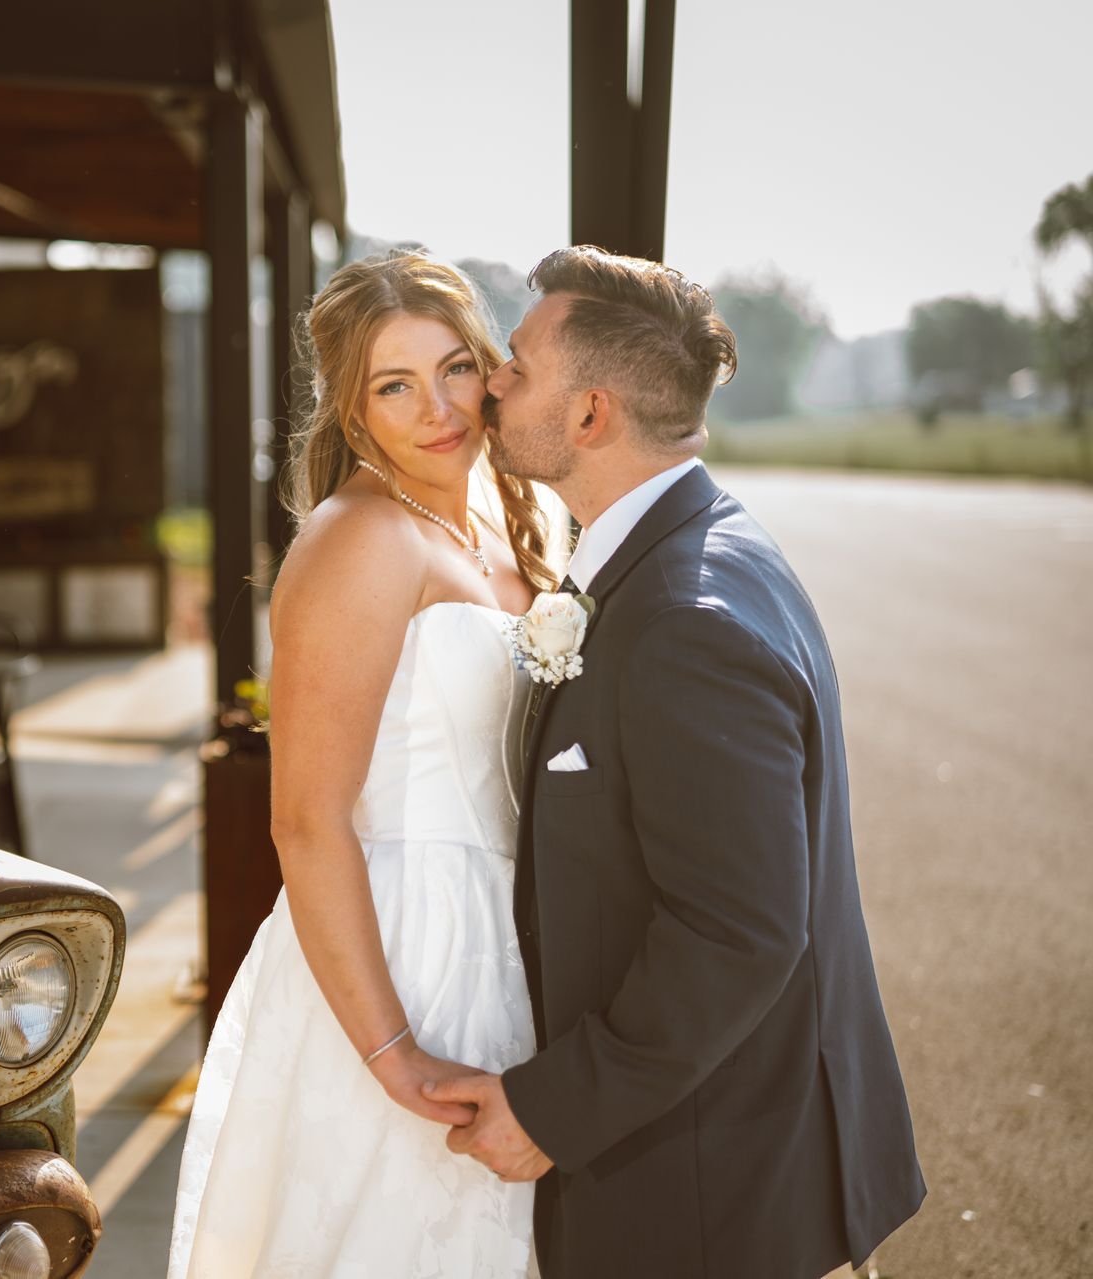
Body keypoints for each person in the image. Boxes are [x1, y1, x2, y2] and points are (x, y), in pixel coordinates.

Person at [425, 245, 926, 1277]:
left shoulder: (684, 623)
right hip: (718, 1165)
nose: (493, 378)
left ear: (592, 414)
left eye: (517, 362)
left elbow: (736, 930)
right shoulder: (704, 545)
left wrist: (556, 1112)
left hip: (719, 1192)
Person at [168, 250, 559, 1277]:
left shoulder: (500, 525)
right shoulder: (358, 541)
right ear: (352, 412)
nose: (438, 407)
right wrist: (393, 1053)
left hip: (512, 937)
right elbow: (305, 820)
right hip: (404, 952)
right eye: (395, 385)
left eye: (454, 369)